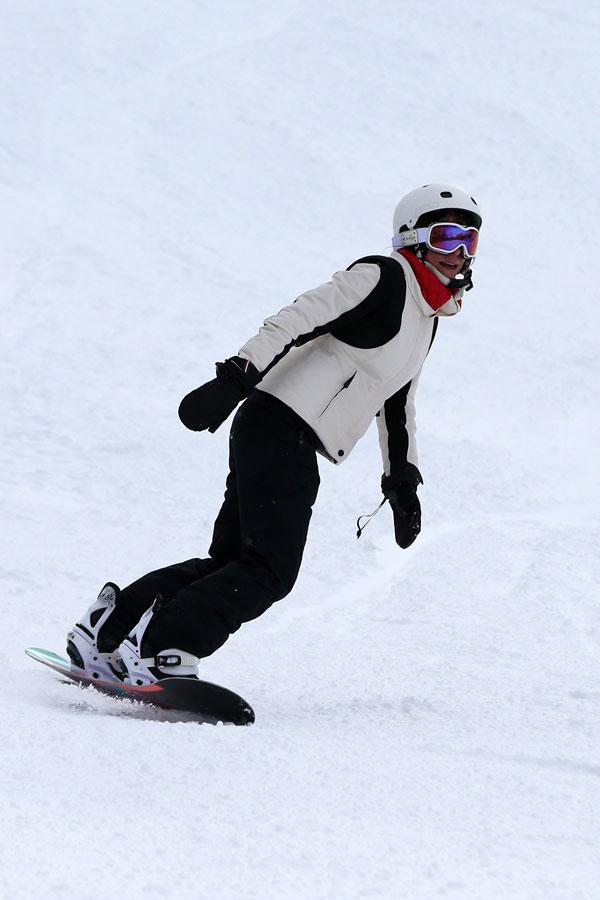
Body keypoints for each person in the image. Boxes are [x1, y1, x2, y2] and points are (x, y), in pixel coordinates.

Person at [67, 183, 482, 685]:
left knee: (233, 561)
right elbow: (297, 319)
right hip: (281, 424)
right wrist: (235, 378)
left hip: (280, 431)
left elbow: (398, 405)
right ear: (412, 238)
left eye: (471, 240)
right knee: (270, 569)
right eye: (448, 236)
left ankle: (109, 628)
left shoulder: (426, 319)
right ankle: (162, 648)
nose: (459, 252)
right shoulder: (383, 276)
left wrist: (402, 480)